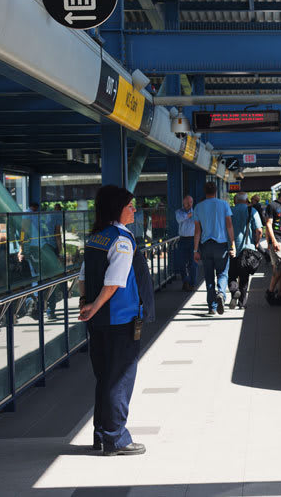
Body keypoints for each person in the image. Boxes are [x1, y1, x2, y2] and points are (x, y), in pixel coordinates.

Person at [77, 185, 154, 456]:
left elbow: (83, 276)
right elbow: (114, 282)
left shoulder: (96, 238)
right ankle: (116, 438)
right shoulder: (122, 240)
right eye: (129, 206)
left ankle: (101, 435)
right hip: (120, 318)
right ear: (116, 208)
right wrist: (96, 306)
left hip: (99, 321)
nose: (134, 210)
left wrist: (86, 304)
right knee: (120, 377)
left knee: (104, 377)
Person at [193, 182, 235, 315]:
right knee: (222, 273)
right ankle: (221, 293)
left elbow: (197, 231)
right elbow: (229, 225)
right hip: (221, 245)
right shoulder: (224, 204)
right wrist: (233, 244)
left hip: (205, 245)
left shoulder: (198, 207)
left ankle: (212, 307)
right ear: (216, 191)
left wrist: (195, 250)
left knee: (209, 276)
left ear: (204, 192)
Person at [228, 192, 263, 309]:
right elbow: (259, 230)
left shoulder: (229, 211)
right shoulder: (252, 211)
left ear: (235, 200)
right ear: (246, 200)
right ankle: (242, 303)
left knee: (232, 275)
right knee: (244, 278)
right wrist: (256, 243)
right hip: (248, 249)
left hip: (232, 248)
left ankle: (234, 290)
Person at [174, 195, 198, 291]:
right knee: (181, 262)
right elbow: (179, 219)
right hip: (182, 240)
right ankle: (185, 281)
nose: (189, 204)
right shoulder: (179, 212)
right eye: (187, 202)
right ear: (183, 203)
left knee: (193, 263)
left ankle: (192, 283)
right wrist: (189, 215)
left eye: (191, 202)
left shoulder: (196, 212)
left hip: (193, 240)